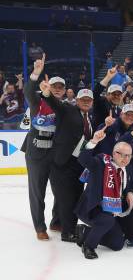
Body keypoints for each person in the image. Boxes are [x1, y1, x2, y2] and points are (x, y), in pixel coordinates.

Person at [40, 77, 95, 243]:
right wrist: (46, 92)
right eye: (82, 99)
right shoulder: (67, 110)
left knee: (72, 197)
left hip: (77, 165)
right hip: (62, 163)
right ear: (76, 100)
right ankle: (68, 232)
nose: (86, 102)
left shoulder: (89, 119)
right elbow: (53, 102)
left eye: (89, 100)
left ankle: (57, 223)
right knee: (67, 199)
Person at [75, 130, 133, 259]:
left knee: (117, 244)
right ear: (114, 153)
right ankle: (89, 246)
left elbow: (126, 185)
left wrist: (130, 192)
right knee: (106, 220)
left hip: (110, 212)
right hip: (91, 209)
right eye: (121, 154)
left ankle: (85, 232)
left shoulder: (128, 168)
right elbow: (83, 159)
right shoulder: (100, 163)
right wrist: (93, 142)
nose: (124, 159)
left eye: (128, 156)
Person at [20, 54, 61, 240]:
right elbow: (28, 91)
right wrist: (35, 73)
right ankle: (39, 227)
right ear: (48, 87)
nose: (58, 90)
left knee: (61, 189)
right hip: (36, 153)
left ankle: (56, 221)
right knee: (37, 191)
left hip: (56, 153)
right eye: (54, 87)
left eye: (61, 87)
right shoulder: (38, 102)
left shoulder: (64, 107)